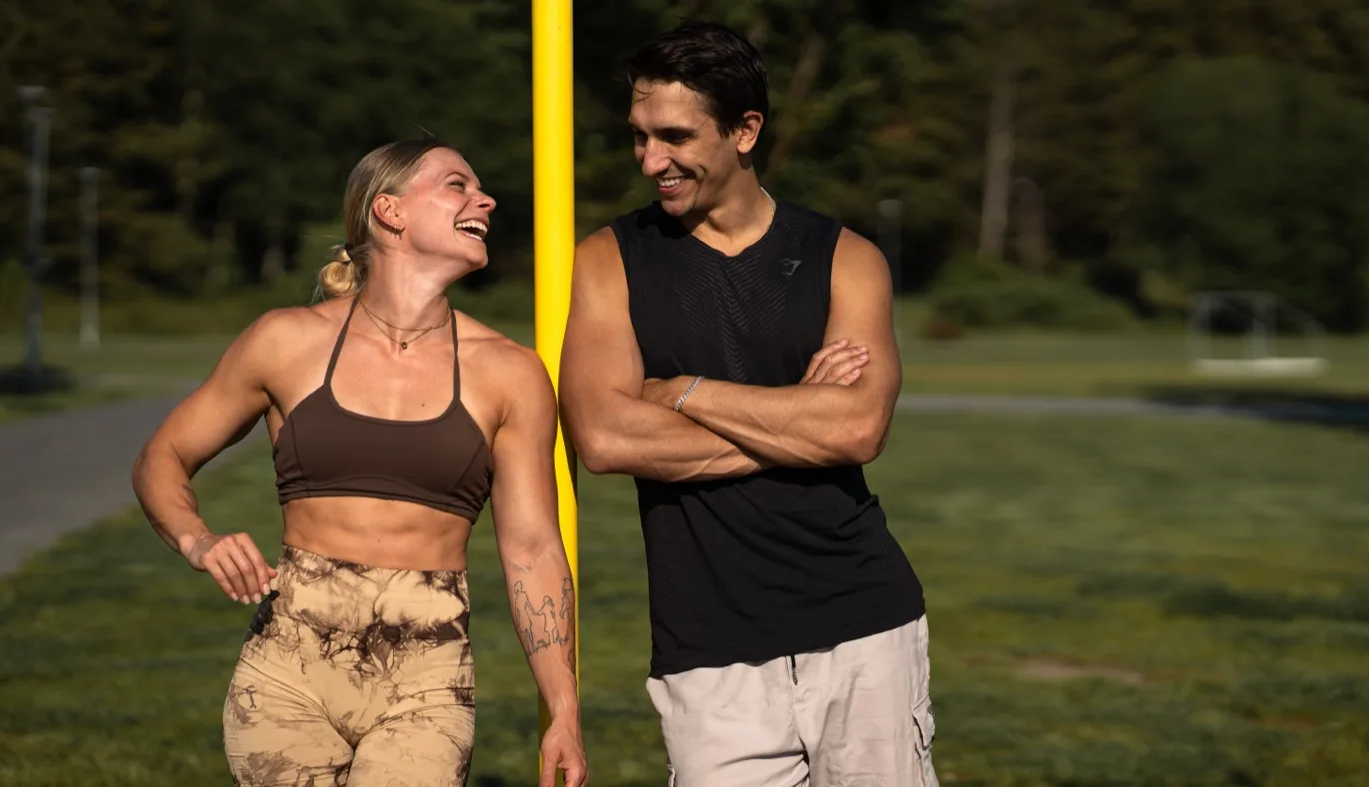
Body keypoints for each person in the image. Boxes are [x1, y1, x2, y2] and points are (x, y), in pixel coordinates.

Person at [132, 138, 588, 787]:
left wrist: (564, 712)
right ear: (389, 211)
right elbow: (162, 455)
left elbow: (534, 550)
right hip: (286, 676)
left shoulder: (510, 373)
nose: (484, 199)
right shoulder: (286, 341)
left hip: (427, 681)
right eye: (457, 184)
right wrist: (197, 539)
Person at [558, 20, 939, 787]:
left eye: (673, 136)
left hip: (865, 624)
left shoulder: (847, 258)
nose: (650, 160)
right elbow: (603, 437)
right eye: (639, 137)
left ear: (745, 130)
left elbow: (859, 428)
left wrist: (685, 393)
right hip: (707, 646)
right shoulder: (608, 259)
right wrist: (801, 412)